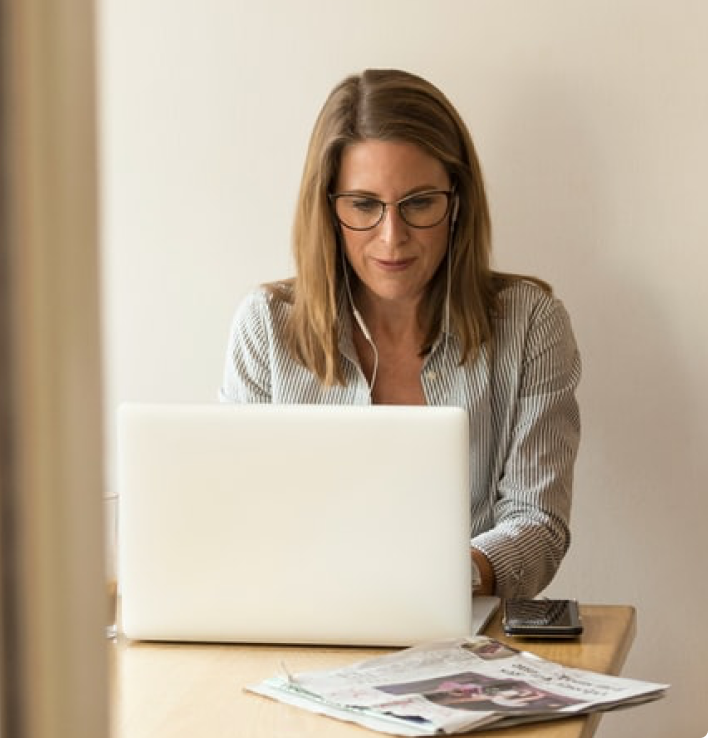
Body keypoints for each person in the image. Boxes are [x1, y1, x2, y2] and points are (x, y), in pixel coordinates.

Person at [220, 69, 580, 598]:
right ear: (328, 208)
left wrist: (438, 580)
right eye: (364, 205)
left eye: (418, 203)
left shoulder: (530, 323)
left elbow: (539, 526)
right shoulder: (266, 326)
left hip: (466, 641)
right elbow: (239, 520)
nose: (392, 238)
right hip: (301, 631)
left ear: (456, 201)